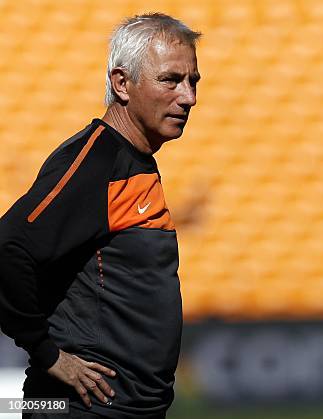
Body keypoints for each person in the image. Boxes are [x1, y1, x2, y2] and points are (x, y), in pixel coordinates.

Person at [0, 12, 201, 418]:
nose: (188, 97)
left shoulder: (135, 161)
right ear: (121, 83)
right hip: (79, 407)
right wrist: (48, 353)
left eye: (193, 81)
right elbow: (7, 248)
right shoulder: (96, 160)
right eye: (171, 80)